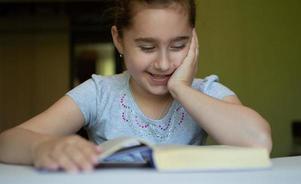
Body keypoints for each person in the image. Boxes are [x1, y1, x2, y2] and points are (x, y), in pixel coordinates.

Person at [0, 0, 272, 173]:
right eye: (147, 47)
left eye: (179, 45)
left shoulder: (205, 93)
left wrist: (182, 89)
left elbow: (259, 141)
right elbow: (7, 143)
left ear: (193, 39)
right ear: (118, 40)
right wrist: (42, 147)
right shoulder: (99, 94)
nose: (164, 64)